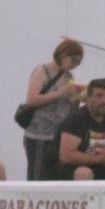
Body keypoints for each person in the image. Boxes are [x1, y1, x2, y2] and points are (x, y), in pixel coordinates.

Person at [22, 39, 85, 180]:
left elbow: (69, 110)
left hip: (58, 136)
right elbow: (31, 100)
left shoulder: (68, 76)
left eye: (78, 63)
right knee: (37, 177)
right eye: (73, 60)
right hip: (39, 135)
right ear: (63, 55)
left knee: (54, 176)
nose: (74, 65)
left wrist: (78, 98)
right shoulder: (42, 71)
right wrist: (60, 93)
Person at [54, 78, 105, 181]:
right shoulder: (76, 119)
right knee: (84, 173)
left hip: (101, 168)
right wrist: (99, 159)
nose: (104, 101)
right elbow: (65, 156)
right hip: (69, 171)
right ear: (88, 97)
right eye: (99, 96)